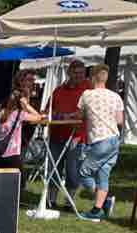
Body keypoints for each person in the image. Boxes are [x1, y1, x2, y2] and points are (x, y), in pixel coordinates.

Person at [76, 64, 123, 222]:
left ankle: (104, 201)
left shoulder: (87, 95)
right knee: (103, 174)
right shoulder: (115, 96)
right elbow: (120, 120)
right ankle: (97, 210)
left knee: (83, 172)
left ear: (92, 78)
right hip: (114, 139)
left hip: (99, 139)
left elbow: (80, 115)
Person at [44, 60, 91, 208]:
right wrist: (57, 115)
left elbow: (86, 112)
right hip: (56, 135)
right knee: (53, 168)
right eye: (76, 73)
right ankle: (51, 199)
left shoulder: (87, 90)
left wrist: (70, 116)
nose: (79, 76)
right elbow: (47, 111)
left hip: (76, 136)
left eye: (82, 73)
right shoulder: (58, 91)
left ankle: (69, 201)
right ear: (69, 73)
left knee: (72, 170)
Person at [0, 70, 44, 172]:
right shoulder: (15, 96)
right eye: (29, 80)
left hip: (24, 135)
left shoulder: (34, 96)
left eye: (33, 80)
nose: (33, 82)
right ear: (21, 81)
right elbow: (35, 116)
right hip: (14, 138)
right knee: (16, 167)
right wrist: (26, 106)